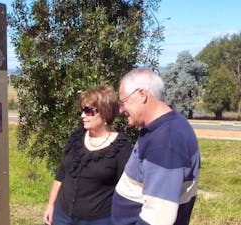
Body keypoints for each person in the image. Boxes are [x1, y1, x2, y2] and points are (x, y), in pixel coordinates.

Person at [111, 68, 200, 225]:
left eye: (123, 102)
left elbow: (158, 217)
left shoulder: (166, 142)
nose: (120, 109)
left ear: (142, 95)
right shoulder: (162, 127)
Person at [43, 85, 133, 225]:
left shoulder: (121, 147)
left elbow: (127, 190)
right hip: (62, 215)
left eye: (88, 111)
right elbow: (61, 174)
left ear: (104, 113)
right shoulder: (76, 138)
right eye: (82, 110)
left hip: (98, 220)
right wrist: (51, 205)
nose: (82, 115)